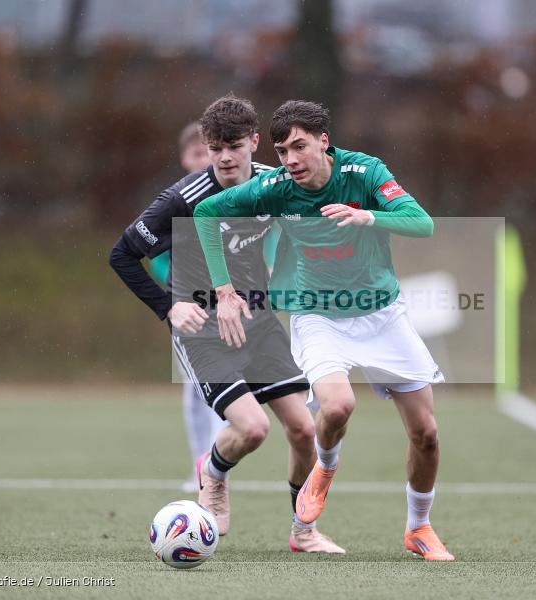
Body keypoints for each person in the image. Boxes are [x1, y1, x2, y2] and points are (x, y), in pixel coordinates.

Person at [193, 100, 454, 561]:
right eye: (282, 151)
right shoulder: (275, 186)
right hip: (317, 315)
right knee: (337, 406)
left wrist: (369, 216)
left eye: (300, 147)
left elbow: (422, 224)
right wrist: (224, 289)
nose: (291, 159)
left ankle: (419, 527)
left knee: (426, 434)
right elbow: (205, 213)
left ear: (323, 142)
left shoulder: (365, 173)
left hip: (382, 314)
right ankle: (325, 470)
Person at [109, 95, 344, 553]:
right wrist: (168, 307)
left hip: (258, 323)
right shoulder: (182, 199)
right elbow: (122, 255)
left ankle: (303, 531)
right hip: (203, 331)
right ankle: (212, 474)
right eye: (215, 148)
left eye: (234, 146)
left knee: (305, 431)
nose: (224, 158)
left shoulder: (275, 185)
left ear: (254, 142)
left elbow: (301, 227)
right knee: (253, 429)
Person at [146, 120, 226, 494]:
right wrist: (176, 294)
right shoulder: (177, 202)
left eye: (208, 152)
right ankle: (201, 464)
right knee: (195, 389)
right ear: (184, 158)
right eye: (197, 153)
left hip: (232, 306)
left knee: (228, 385)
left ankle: (217, 466)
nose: (204, 160)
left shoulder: (235, 195)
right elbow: (156, 255)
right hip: (190, 308)